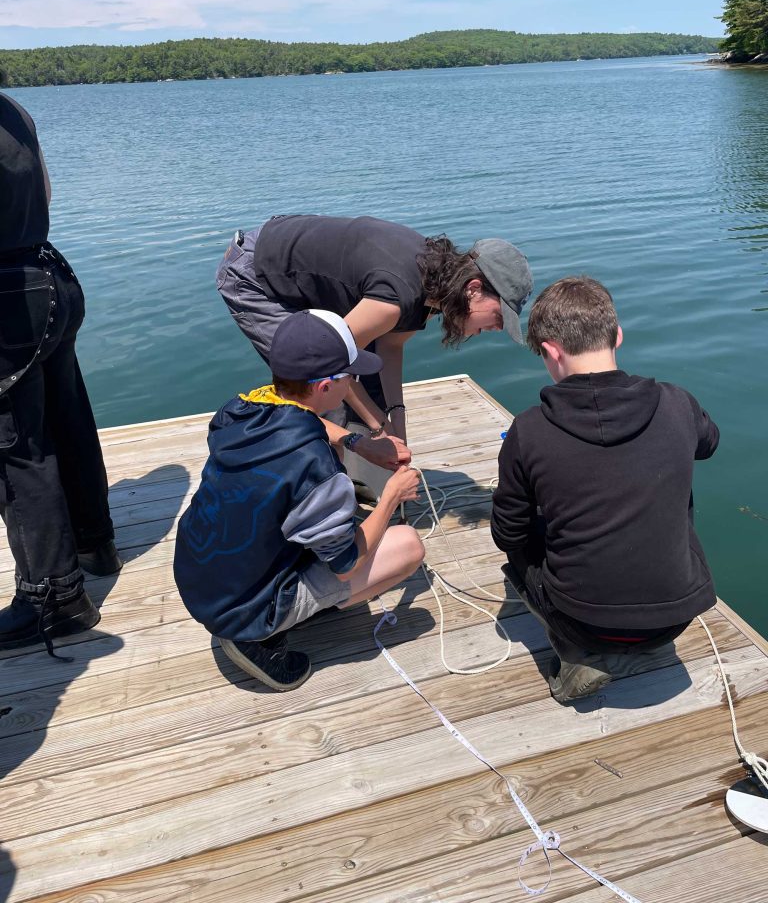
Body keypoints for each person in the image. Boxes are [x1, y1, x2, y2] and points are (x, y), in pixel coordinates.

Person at [490, 276, 719, 704]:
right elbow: (709, 444)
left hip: (585, 624)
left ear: (551, 351)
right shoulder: (678, 403)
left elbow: (508, 535)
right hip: (675, 620)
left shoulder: (529, 431)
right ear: (617, 335)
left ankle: (576, 654)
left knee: (521, 537)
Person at [173, 308, 425, 691]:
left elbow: (304, 420)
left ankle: (277, 608)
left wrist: (357, 443)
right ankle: (260, 641)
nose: (353, 381)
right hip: (244, 611)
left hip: (200, 575)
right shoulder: (313, 467)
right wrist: (392, 497)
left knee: (331, 490)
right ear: (325, 387)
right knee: (407, 546)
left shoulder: (237, 410)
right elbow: (345, 564)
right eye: (349, 376)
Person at [216, 215, 533, 470]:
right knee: (321, 390)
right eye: (498, 316)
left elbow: (390, 348)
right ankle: (322, 510)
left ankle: (357, 479)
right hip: (257, 274)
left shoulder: (439, 287)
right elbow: (331, 363)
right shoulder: (397, 296)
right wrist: (379, 429)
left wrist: (396, 420)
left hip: (309, 278)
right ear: (474, 288)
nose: (496, 327)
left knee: (369, 390)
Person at [0, 78, 121, 657]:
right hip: (48, 277)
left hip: (7, 299)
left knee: (15, 451)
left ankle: (55, 599)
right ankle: (94, 544)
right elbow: (45, 192)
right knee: (68, 419)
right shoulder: (12, 110)